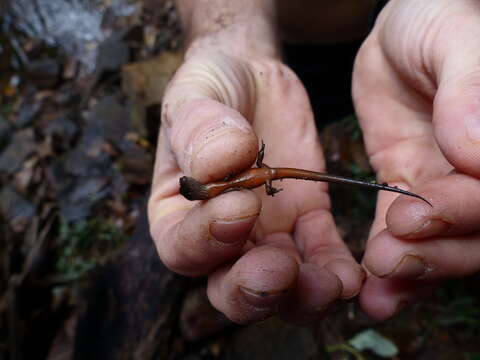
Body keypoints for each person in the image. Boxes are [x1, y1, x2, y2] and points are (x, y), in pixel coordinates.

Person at [148, 0, 480, 324]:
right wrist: (235, 41)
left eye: (197, 192)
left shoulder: (215, 189)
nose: (198, 192)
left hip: (398, 40)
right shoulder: (215, 188)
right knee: (307, 114)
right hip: (295, 58)